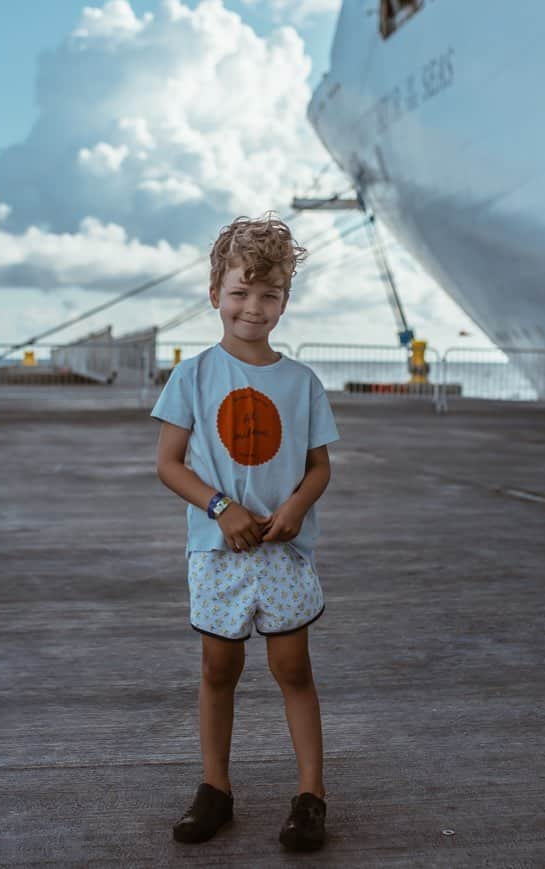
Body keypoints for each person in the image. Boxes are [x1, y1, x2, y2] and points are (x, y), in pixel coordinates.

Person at [151, 214, 339, 852]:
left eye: (268, 295)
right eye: (240, 292)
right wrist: (221, 508)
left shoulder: (302, 382)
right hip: (217, 550)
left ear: (285, 301)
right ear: (215, 295)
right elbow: (168, 464)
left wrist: (294, 508)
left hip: (284, 553)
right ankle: (215, 788)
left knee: (293, 670)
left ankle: (310, 795)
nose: (252, 307)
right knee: (217, 668)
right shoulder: (194, 375)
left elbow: (319, 468)